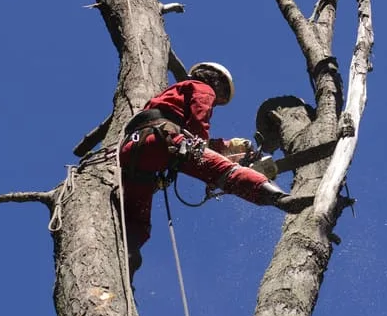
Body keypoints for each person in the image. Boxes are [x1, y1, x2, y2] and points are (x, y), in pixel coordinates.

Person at [116, 61, 298, 275]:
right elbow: (198, 122)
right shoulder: (202, 88)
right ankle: (279, 198)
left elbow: (181, 129)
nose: (217, 99)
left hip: (133, 152)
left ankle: (128, 263)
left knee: (136, 221)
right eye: (220, 95)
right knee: (227, 172)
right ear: (216, 80)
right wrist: (208, 162)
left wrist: (228, 146)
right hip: (163, 142)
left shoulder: (169, 97)